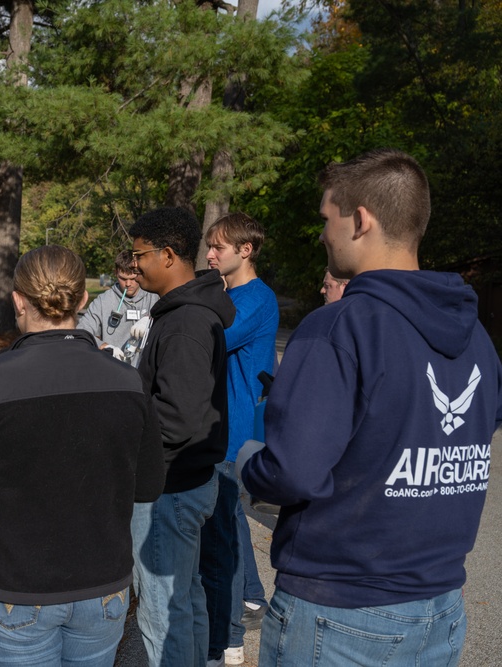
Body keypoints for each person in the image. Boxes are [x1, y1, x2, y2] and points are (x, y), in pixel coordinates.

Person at [240, 149, 502, 666]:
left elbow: (292, 469)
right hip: (441, 609)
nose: (322, 234)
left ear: (360, 220)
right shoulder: (477, 338)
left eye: (325, 218)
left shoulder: (340, 326)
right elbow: (472, 429)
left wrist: (248, 466)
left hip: (341, 610)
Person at [0, 245, 165, 666]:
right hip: (101, 587)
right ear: (85, 299)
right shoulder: (129, 381)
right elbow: (148, 485)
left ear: (18, 300)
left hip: (15, 589)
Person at [127, 207, 236, 667]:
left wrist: (125, 426)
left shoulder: (186, 323)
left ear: (168, 255)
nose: (134, 266)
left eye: (140, 256)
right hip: (185, 483)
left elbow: (181, 418)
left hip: (168, 489)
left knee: (161, 614)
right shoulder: (186, 313)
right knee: (185, 599)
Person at [201, 212, 278, 666]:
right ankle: (248, 599)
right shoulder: (228, 292)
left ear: (245, 250)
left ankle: (229, 638)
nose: (210, 254)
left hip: (232, 435)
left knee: (222, 536)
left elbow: (211, 336)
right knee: (226, 527)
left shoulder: (256, 299)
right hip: (214, 429)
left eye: (219, 247)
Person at [78, 249, 157, 363]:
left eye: (133, 278)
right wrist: (104, 347)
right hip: (114, 370)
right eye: (123, 278)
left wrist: (150, 319)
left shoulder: (154, 296)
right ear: (116, 273)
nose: (128, 284)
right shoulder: (103, 301)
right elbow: (82, 331)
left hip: (145, 373)